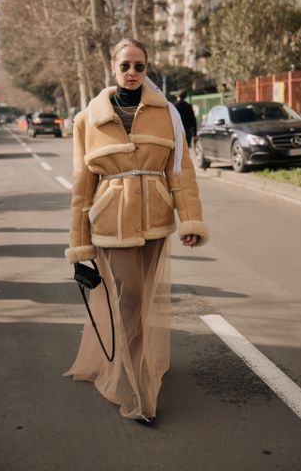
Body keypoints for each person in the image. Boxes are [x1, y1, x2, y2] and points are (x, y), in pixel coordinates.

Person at [64, 38, 209, 424]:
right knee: (128, 299)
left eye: (139, 66)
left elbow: (180, 173)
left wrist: (189, 219)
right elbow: (82, 188)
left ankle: (133, 365)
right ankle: (138, 391)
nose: (132, 73)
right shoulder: (86, 120)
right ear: (112, 67)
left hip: (156, 222)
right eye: (125, 65)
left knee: (140, 300)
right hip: (110, 224)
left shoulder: (168, 115)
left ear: (147, 69)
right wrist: (79, 247)